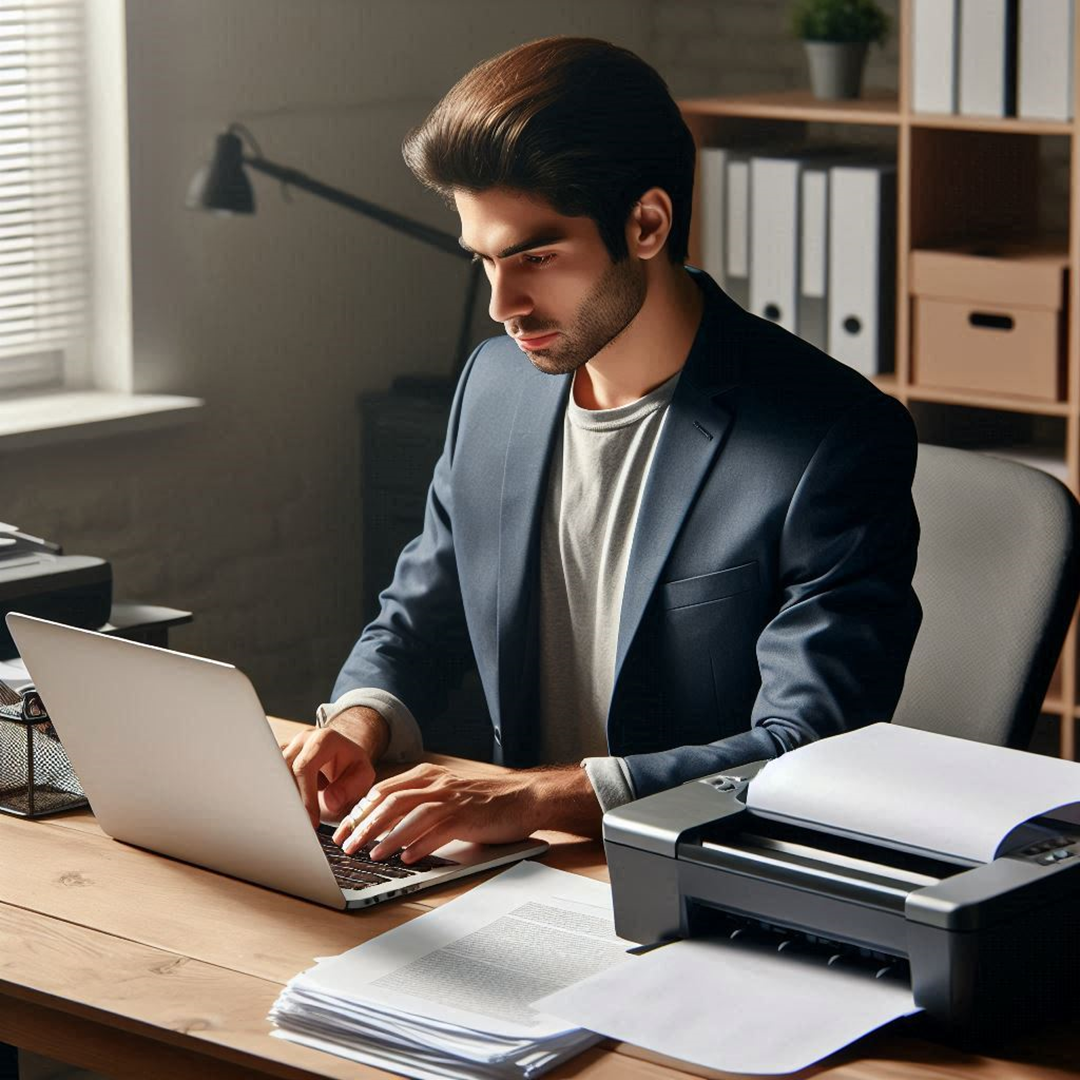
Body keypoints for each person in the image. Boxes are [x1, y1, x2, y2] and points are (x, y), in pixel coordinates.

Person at [282, 36, 921, 863]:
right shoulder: (494, 388)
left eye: (536, 257)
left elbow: (808, 745)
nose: (502, 304)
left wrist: (533, 798)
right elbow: (421, 620)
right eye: (484, 260)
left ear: (647, 223)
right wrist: (358, 721)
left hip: (698, 880)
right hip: (520, 871)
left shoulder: (830, 438)